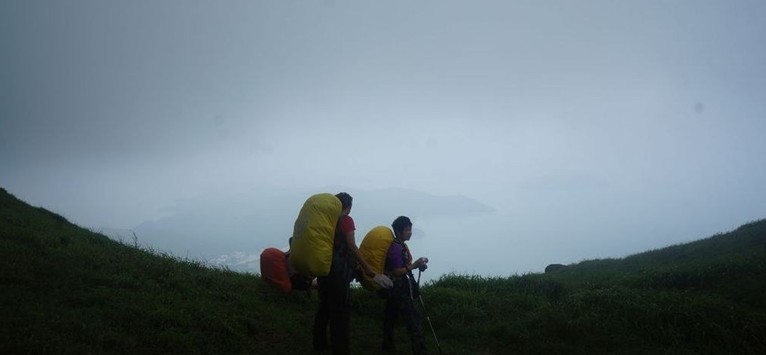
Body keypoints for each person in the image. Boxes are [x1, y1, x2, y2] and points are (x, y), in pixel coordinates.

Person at [313, 192, 376, 354]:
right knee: (340, 312)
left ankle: (319, 344)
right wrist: (367, 267)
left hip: (323, 269)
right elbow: (352, 246)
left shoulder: (326, 221)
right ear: (347, 207)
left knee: (324, 308)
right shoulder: (346, 221)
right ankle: (340, 349)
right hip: (339, 274)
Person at [381, 216, 429, 354]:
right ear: (398, 231)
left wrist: (417, 266)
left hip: (393, 288)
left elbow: (405, 265)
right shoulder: (396, 248)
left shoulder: (401, 245)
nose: (410, 232)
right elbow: (396, 271)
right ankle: (420, 351)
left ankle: (387, 345)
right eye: (407, 230)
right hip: (398, 288)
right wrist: (414, 265)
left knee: (390, 317)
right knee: (413, 321)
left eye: (410, 229)